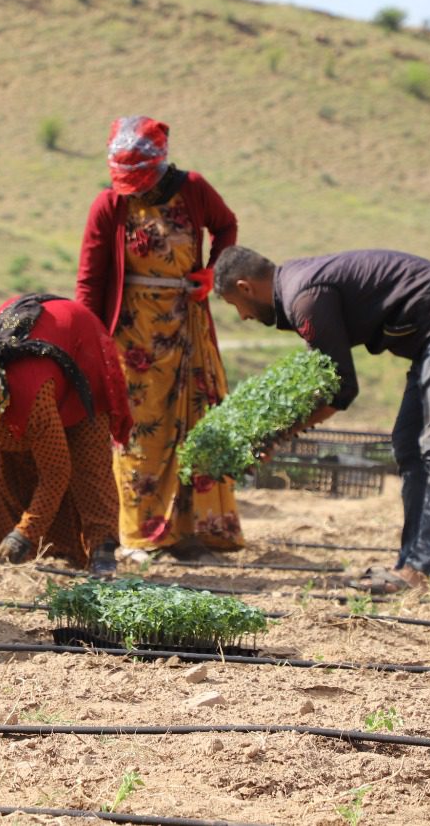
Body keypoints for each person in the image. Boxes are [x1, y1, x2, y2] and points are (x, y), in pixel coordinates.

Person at [213, 245, 430, 593]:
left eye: (234, 305)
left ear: (245, 287)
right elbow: (322, 381)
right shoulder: (299, 287)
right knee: (408, 445)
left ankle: (420, 572)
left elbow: (342, 391)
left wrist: (275, 437)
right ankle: (411, 565)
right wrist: (273, 431)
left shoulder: (304, 297)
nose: (242, 316)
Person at [75, 116, 244, 561]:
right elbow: (90, 283)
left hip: (187, 327)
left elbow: (226, 227)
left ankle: (192, 533)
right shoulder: (109, 205)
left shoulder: (194, 189)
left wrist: (213, 272)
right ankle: (141, 533)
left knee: (195, 424)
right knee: (136, 433)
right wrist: (88, 343)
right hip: (131, 337)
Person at [0, 293, 132, 575]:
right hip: (34, 375)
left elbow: (56, 471)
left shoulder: (32, 397)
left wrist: (24, 534)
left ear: (0, 403)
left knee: (87, 457)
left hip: (80, 349)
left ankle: (102, 547)